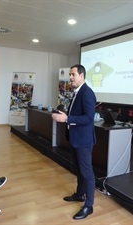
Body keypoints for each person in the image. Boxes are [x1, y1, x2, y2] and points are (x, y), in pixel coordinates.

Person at [52, 64, 96, 220]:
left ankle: (89, 206)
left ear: (82, 75)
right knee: (78, 169)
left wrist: (67, 118)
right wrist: (65, 115)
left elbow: (89, 118)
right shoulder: (77, 93)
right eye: (70, 75)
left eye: (73, 74)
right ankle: (79, 195)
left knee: (87, 172)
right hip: (75, 139)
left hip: (83, 141)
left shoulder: (87, 93)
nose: (70, 77)